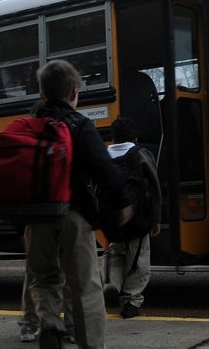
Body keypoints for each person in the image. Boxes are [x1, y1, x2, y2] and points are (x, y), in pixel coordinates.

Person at [25, 59, 133, 349]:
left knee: (44, 279)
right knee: (85, 286)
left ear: (42, 93)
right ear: (74, 92)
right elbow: (104, 168)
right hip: (73, 214)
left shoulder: (29, 126)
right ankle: (91, 345)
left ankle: (49, 323)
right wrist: (123, 202)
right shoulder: (79, 124)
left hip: (36, 218)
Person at [102, 116, 162, 319]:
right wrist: (155, 219)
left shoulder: (103, 156)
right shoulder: (141, 155)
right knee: (138, 259)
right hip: (139, 220)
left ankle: (111, 284)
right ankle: (131, 301)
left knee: (115, 254)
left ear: (113, 137)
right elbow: (154, 188)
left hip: (113, 221)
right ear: (135, 138)